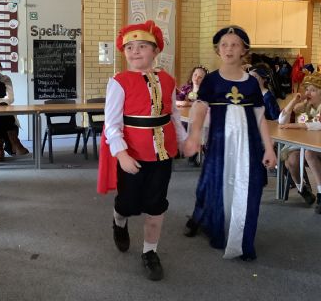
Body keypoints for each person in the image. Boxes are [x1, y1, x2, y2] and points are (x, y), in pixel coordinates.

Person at [97, 20, 189, 281]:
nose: (135, 51)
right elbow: (112, 124)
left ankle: (150, 252)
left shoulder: (168, 80)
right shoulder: (119, 81)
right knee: (127, 204)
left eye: (142, 46)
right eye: (129, 47)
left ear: (155, 50)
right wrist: (121, 154)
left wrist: (183, 140)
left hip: (163, 154)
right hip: (132, 155)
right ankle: (119, 221)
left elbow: (173, 115)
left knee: (156, 205)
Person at [184, 25, 276, 261]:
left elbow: (259, 116)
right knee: (214, 187)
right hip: (220, 145)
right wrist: (194, 135)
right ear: (218, 50)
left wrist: (268, 148)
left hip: (249, 146)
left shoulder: (251, 83)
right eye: (224, 45)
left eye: (235, 45)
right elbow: (200, 109)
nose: (229, 49)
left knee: (249, 189)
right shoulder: (211, 81)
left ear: (244, 50)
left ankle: (243, 241)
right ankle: (211, 225)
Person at [278, 71, 321, 213]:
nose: (308, 93)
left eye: (313, 90)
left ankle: (320, 192)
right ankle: (302, 188)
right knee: (291, 161)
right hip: (302, 144)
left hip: (317, 147)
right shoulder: (304, 106)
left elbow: (318, 125)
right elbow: (281, 121)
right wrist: (293, 101)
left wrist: (296, 125)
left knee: (309, 153)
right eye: (307, 89)